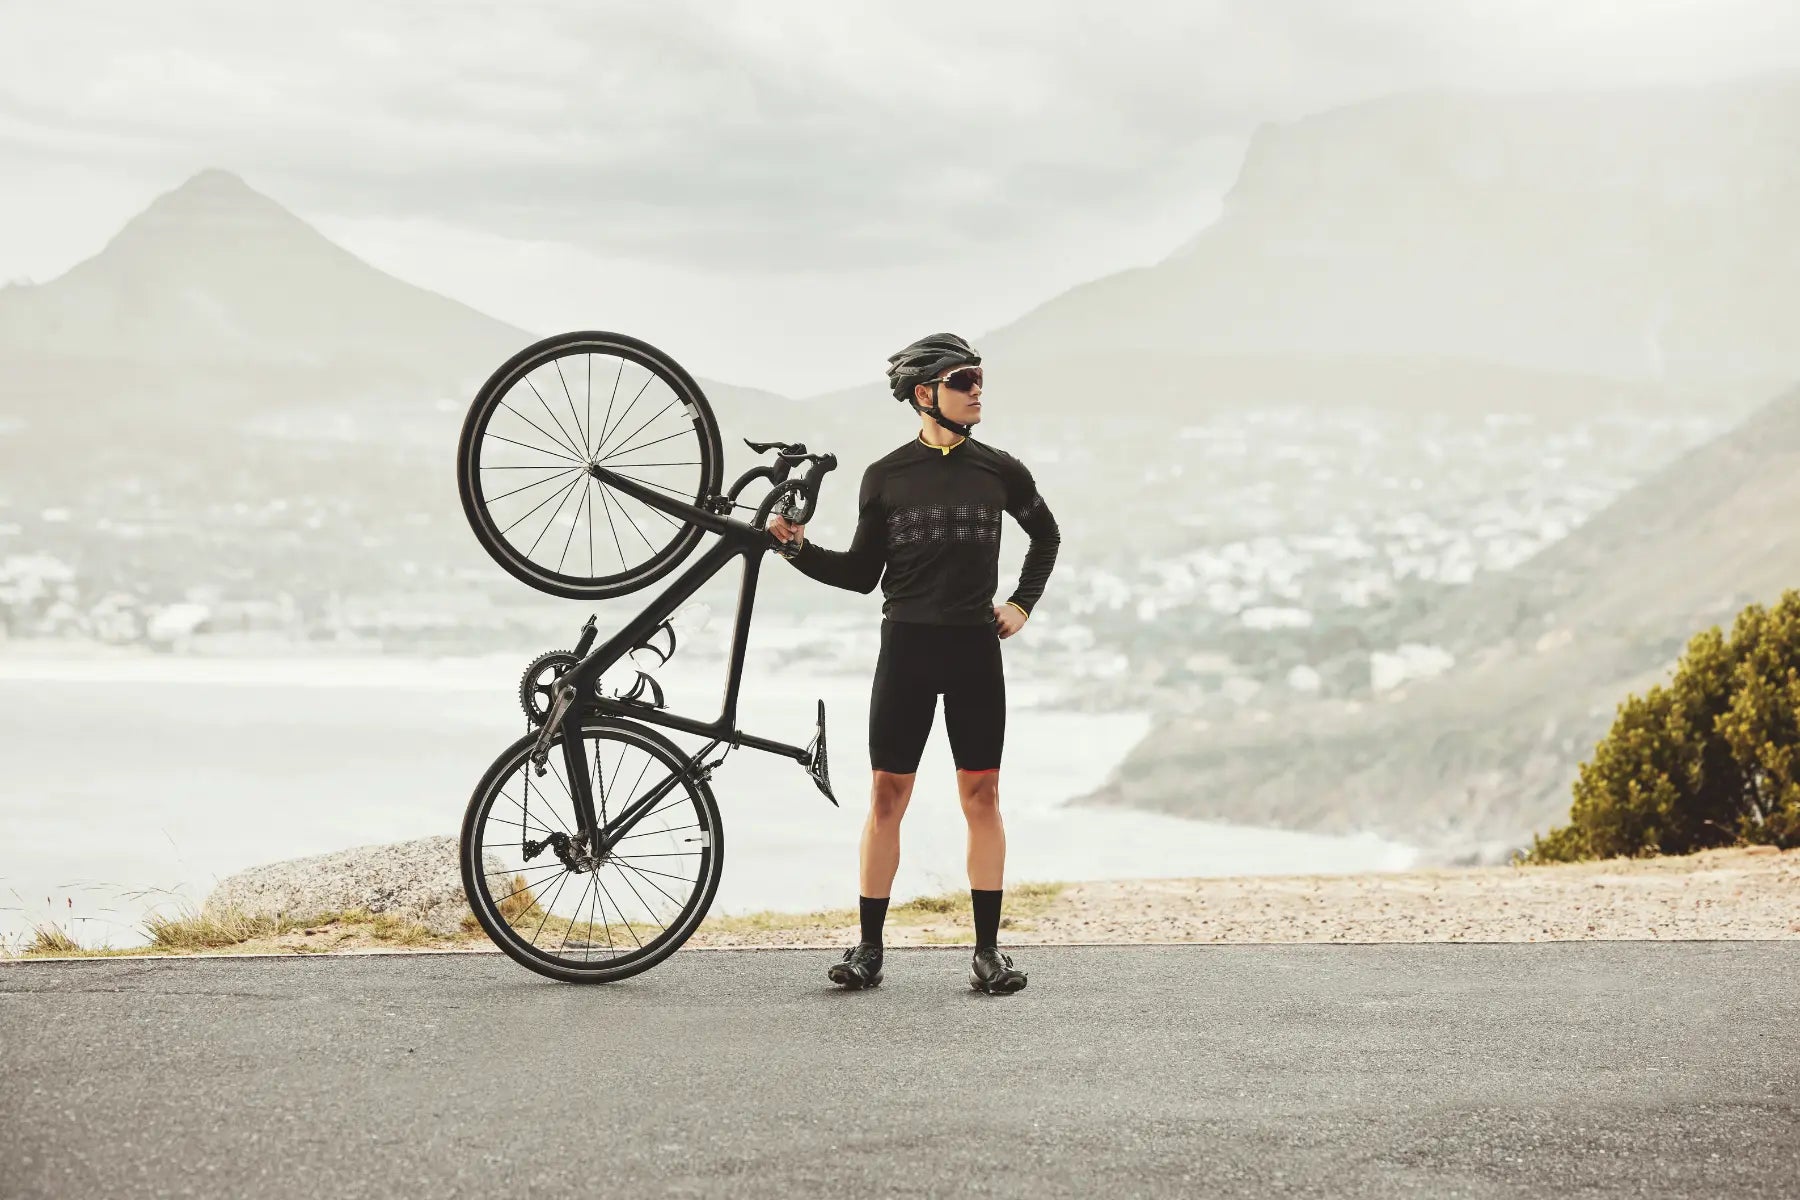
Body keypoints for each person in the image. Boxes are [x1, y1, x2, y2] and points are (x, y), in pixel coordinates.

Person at [768, 332, 1060, 995]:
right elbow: (860, 574)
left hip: (973, 651)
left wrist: (1021, 603)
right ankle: (869, 949)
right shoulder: (886, 476)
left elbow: (1046, 534)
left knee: (981, 797)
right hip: (906, 648)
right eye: (965, 381)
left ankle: (988, 952)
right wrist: (796, 550)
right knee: (885, 798)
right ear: (925, 395)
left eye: (981, 378)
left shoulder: (1000, 470)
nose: (978, 390)